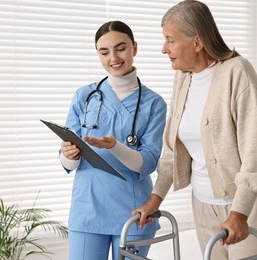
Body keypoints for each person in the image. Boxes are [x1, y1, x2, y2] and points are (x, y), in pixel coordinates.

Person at [132, 1, 257, 259]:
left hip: (247, 208)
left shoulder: (238, 72)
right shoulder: (183, 77)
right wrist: (154, 200)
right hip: (203, 205)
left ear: (197, 42)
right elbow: (172, 150)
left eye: (170, 40)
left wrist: (239, 213)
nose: (163, 49)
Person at [59, 20, 167, 260]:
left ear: (134, 48)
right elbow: (67, 158)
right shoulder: (84, 96)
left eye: (121, 48)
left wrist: (116, 147)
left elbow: (149, 162)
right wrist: (69, 155)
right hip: (88, 207)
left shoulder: (153, 103)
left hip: (134, 210)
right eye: (104, 52)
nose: (113, 58)